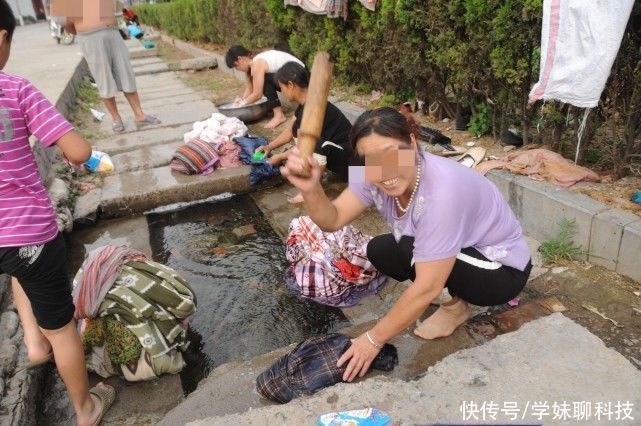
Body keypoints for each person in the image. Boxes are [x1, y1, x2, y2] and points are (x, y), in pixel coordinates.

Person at [281, 107, 531, 382]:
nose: (385, 170)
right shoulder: (372, 173)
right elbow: (333, 218)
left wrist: (373, 340)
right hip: (460, 253)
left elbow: (427, 288)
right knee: (379, 250)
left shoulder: (443, 193)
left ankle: (456, 308)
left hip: (500, 270)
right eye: (371, 159)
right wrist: (311, 188)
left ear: (412, 142)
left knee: (415, 259)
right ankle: (455, 300)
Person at [0, 3, 115, 425]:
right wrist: (81, 157)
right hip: (27, 231)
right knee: (62, 326)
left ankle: (32, 342)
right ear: (1, 38)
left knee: (17, 269)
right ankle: (85, 409)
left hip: (6, 241)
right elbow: (80, 151)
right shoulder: (15, 89)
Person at [256, 61, 356, 203]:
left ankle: (311, 191)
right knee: (312, 146)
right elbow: (290, 131)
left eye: (282, 87)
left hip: (353, 168)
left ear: (290, 85)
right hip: (341, 163)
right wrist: (269, 147)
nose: (281, 91)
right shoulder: (304, 106)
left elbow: (306, 147)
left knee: (316, 145)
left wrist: (279, 157)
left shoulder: (314, 109)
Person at [64, 1, 160, 133]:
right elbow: (68, 25)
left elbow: (119, 10)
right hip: (90, 38)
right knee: (103, 78)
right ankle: (116, 119)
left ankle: (139, 114)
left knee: (126, 73)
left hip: (113, 33)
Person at [225, 45, 304, 129]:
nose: (237, 69)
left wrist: (242, 104)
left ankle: (279, 115)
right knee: (264, 79)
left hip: (302, 79)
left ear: (240, 59)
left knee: (265, 80)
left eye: (236, 66)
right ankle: (278, 114)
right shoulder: (253, 62)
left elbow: (257, 94)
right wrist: (241, 99)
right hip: (295, 78)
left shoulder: (257, 63)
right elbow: (250, 88)